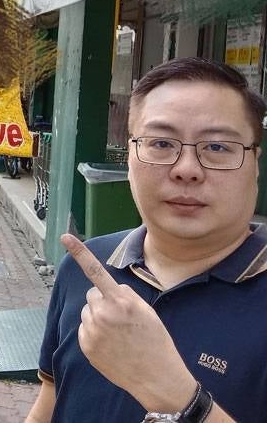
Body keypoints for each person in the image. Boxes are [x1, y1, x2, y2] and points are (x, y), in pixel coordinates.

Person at [26, 57, 267, 423]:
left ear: (255, 163)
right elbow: (50, 400)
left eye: (218, 148)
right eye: (161, 143)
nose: (187, 169)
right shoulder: (86, 266)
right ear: (130, 156)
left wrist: (175, 394)